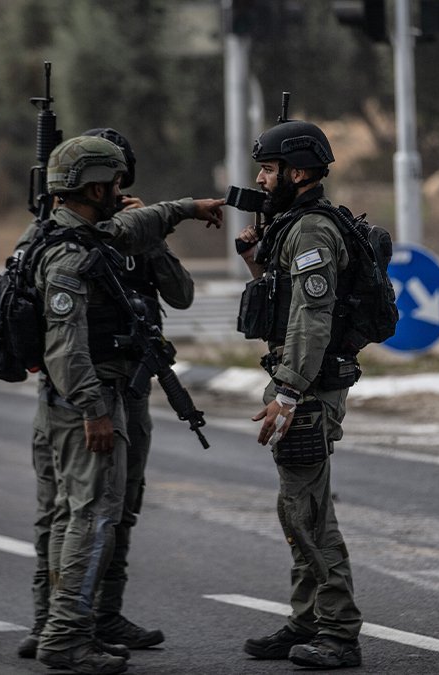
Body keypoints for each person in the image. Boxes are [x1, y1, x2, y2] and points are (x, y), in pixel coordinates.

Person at [31, 135, 221, 675]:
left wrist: (187, 208)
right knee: (90, 515)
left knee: (92, 512)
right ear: (96, 188)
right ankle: (64, 635)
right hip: (88, 398)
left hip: (107, 391)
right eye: (115, 183)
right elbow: (66, 346)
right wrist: (94, 410)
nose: (122, 192)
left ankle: (76, 626)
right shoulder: (69, 255)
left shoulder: (85, 234)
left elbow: (143, 227)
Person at [236, 117, 364, 668]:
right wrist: (253, 259)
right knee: (299, 507)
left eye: (269, 169)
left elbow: (312, 319)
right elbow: (282, 303)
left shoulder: (312, 231)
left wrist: (287, 393)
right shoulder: (293, 226)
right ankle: (306, 619)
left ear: (299, 172)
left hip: (308, 388)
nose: (260, 180)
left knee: (307, 513)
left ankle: (339, 632)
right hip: (301, 382)